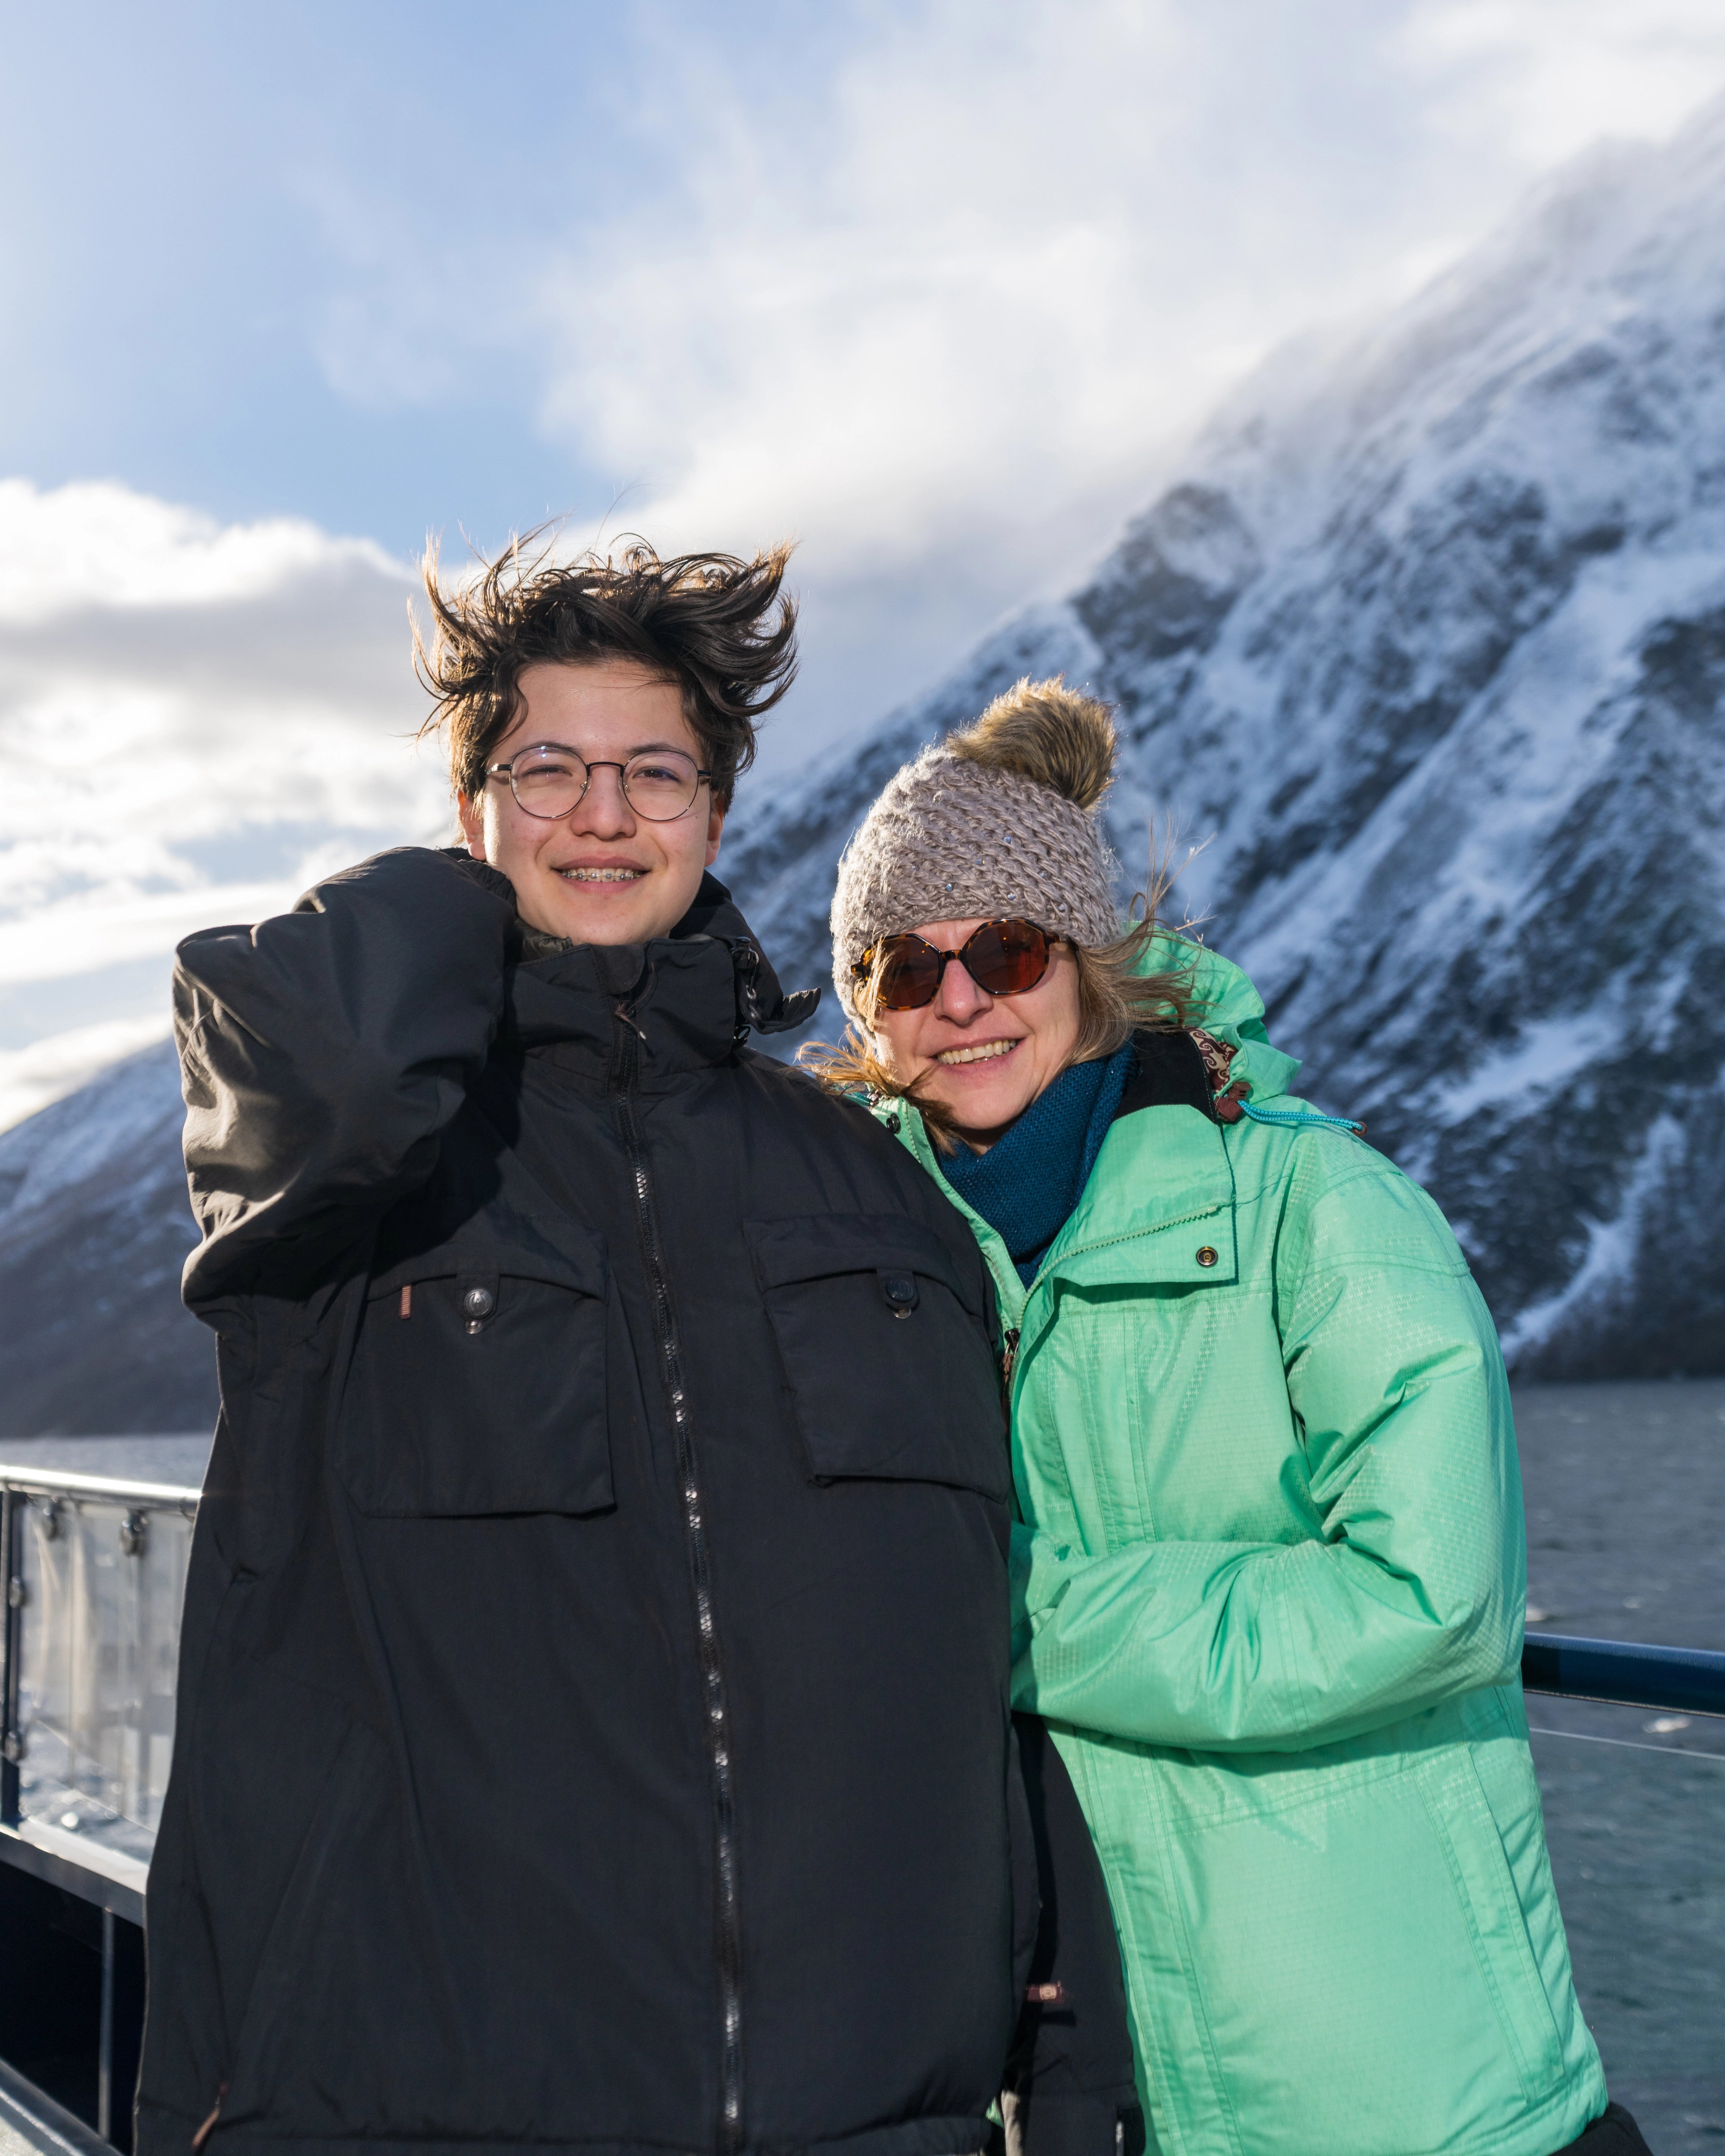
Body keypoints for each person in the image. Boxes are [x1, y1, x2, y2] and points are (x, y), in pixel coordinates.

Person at [138, 540, 1088, 2156]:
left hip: (878, 2118)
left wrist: (1065, 2072)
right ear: (470, 816)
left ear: (716, 816)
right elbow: (327, 1059)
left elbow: (995, 1654)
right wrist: (468, 905)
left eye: (655, 772)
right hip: (438, 2115)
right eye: (547, 771)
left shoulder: (879, 1191)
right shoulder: (356, 1175)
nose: (603, 815)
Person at [814, 677, 1650, 2156]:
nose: (961, 1000)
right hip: (1075, 2068)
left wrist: (1005, 1619)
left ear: (1086, 965)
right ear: (866, 1014)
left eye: (1006, 950)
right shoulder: (873, 1267)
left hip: (1393, 2076)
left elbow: (1434, 1600)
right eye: (902, 967)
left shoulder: (1313, 1207)